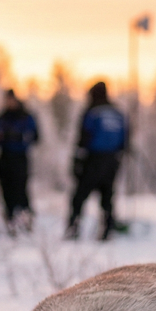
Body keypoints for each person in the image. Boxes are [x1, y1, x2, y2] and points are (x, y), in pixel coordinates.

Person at [65, 80, 128, 241]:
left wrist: (78, 160)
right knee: (107, 197)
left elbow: (84, 136)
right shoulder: (118, 113)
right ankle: (107, 229)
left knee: (79, 197)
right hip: (113, 161)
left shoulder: (92, 112)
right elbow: (125, 139)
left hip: (93, 160)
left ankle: (73, 228)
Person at [0, 89, 39, 233]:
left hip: (20, 158)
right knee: (6, 193)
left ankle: (26, 222)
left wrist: (16, 137)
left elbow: (35, 136)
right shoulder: (1, 117)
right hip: (5, 158)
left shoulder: (26, 117)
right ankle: (11, 224)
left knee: (21, 192)